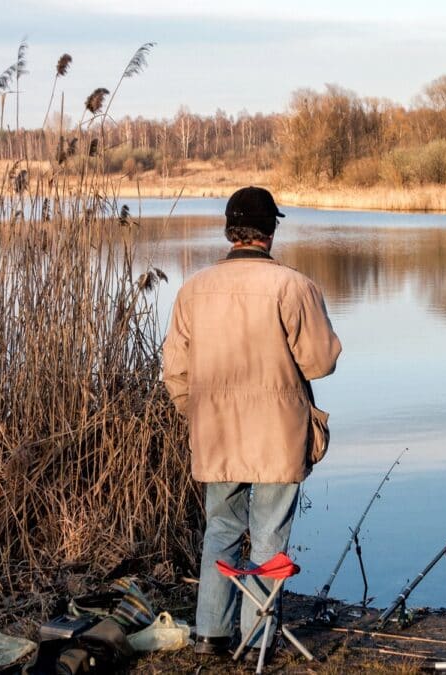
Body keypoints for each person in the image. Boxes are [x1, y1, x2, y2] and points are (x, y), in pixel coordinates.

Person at [161, 186, 341, 658]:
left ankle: (210, 634)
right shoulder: (293, 286)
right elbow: (321, 362)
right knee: (268, 537)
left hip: (216, 433)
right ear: (270, 231)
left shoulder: (193, 289)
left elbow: (174, 371)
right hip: (278, 434)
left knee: (220, 530)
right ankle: (255, 640)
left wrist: (199, 413)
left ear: (230, 231)